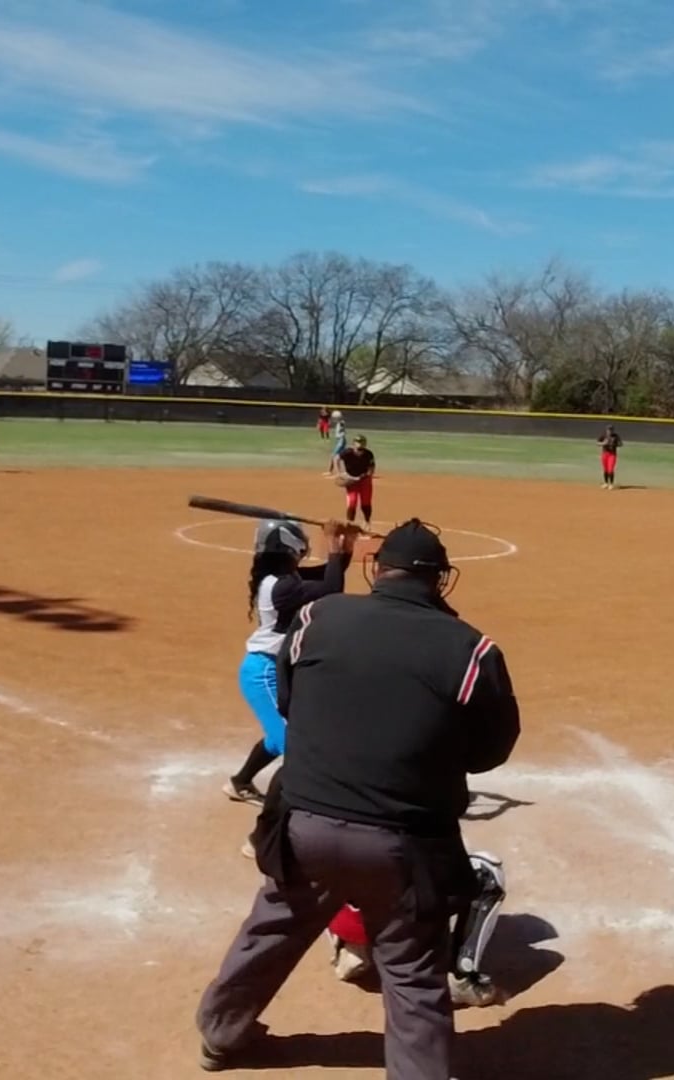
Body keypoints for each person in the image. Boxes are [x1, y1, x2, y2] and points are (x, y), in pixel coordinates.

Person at [195, 519, 521, 1080]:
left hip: (303, 822)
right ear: (440, 579)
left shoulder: (318, 617)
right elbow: (490, 751)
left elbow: (291, 701)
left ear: (377, 569)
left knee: (272, 927)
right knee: (413, 969)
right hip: (403, 842)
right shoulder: (471, 648)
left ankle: (220, 1034)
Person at [221, 518, 358, 807]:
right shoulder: (280, 586)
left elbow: (330, 575)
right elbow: (332, 588)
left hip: (278, 670)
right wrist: (331, 540)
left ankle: (240, 782)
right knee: (293, 744)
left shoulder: (283, 579)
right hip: (264, 673)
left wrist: (346, 542)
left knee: (281, 735)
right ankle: (283, 814)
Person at [322, 852, 509, 1009]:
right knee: (484, 871)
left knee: (335, 844)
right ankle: (461, 977)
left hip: (347, 903)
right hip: (399, 910)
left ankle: (348, 948)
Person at [336, 434, 377, 528]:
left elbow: (372, 466)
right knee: (352, 501)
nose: (360, 445)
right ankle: (350, 524)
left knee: (366, 502)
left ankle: (367, 522)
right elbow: (336, 458)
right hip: (351, 480)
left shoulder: (368, 454)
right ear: (354, 444)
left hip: (364, 480)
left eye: (362, 443)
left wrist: (368, 474)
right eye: (358, 443)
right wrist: (339, 473)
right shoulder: (347, 452)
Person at [598, 425, 624, 489]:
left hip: (612, 454)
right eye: (608, 430)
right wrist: (603, 443)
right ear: (606, 430)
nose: (609, 431)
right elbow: (598, 443)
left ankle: (611, 484)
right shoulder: (603, 435)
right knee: (605, 469)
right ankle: (606, 483)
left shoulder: (615, 436)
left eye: (611, 430)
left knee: (610, 469)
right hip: (605, 454)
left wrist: (614, 444)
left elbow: (621, 444)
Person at [323, 410, 347, 475]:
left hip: (341, 441)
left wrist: (338, 418)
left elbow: (342, 425)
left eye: (334, 418)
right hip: (340, 441)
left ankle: (333, 472)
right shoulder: (339, 423)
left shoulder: (341, 422)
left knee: (334, 456)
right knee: (341, 457)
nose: (333, 419)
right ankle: (337, 471)